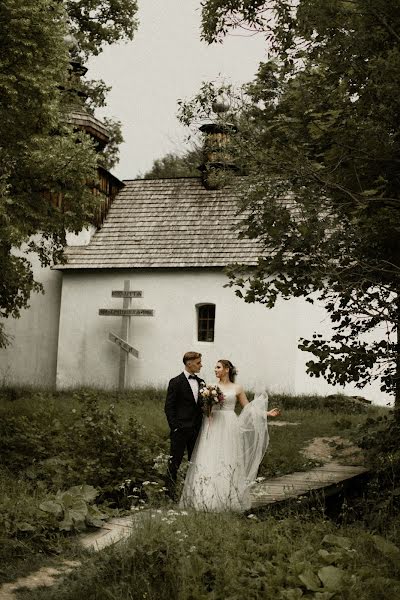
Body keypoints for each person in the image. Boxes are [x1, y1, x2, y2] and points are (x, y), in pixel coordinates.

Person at [180, 359, 280, 512]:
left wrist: (266, 413)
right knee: (209, 456)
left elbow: (248, 408)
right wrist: (208, 404)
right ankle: (204, 498)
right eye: (215, 367)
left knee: (228, 457)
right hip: (213, 424)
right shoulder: (210, 387)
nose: (215, 370)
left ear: (227, 369)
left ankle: (227, 497)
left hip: (229, 424)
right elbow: (204, 409)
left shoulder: (237, 388)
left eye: (218, 367)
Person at [164, 351, 205, 500]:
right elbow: (169, 407)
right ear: (189, 363)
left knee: (195, 462)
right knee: (174, 462)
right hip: (180, 430)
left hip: (197, 429)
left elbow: (202, 406)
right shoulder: (175, 382)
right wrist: (175, 427)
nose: (201, 365)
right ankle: (168, 494)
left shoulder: (201, 382)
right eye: (198, 362)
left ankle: (192, 494)